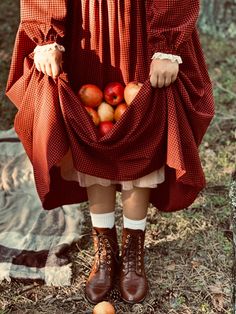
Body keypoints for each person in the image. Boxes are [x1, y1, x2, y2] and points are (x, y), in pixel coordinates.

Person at [6, 0, 214, 305]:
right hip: (84, 24)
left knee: (141, 127)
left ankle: (133, 249)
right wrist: (46, 33)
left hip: (140, 24)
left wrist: (167, 42)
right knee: (89, 128)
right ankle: (104, 246)